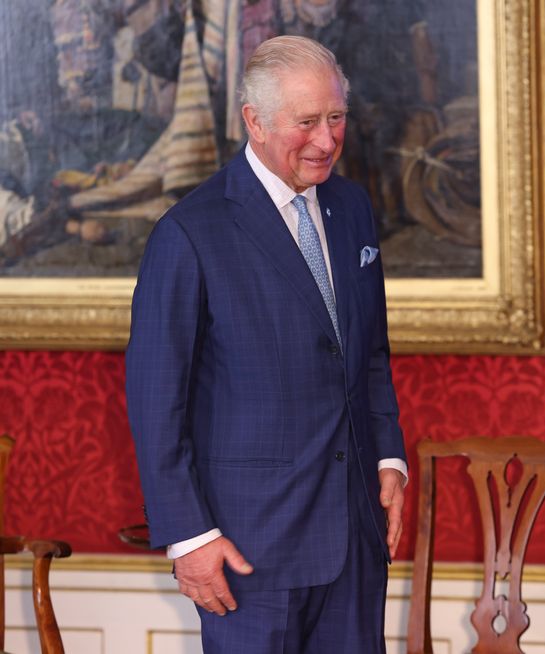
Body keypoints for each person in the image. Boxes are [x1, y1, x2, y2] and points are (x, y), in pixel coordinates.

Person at [126, 36, 407, 653]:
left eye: (336, 118)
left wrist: (388, 457)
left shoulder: (353, 207)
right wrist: (190, 537)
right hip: (248, 552)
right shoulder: (188, 233)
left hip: (354, 542)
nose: (328, 140)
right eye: (307, 122)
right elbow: (155, 400)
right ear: (253, 121)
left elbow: (369, 352)